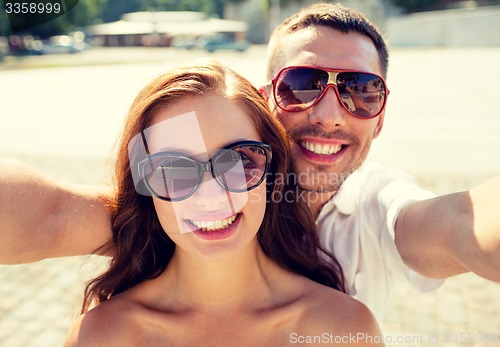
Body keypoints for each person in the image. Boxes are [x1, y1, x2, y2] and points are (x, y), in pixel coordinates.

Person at [0, 3, 499, 323]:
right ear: (266, 104)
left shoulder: (374, 212)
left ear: (381, 116)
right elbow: (46, 218)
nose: (328, 114)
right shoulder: (179, 199)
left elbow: (462, 225)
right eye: (302, 84)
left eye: (360, 91)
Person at [61, 60, 382, 346]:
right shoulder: (100, 336)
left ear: (273, 170)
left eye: (238, 161)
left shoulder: (344, 329)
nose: (211, 196)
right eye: (174, 169)